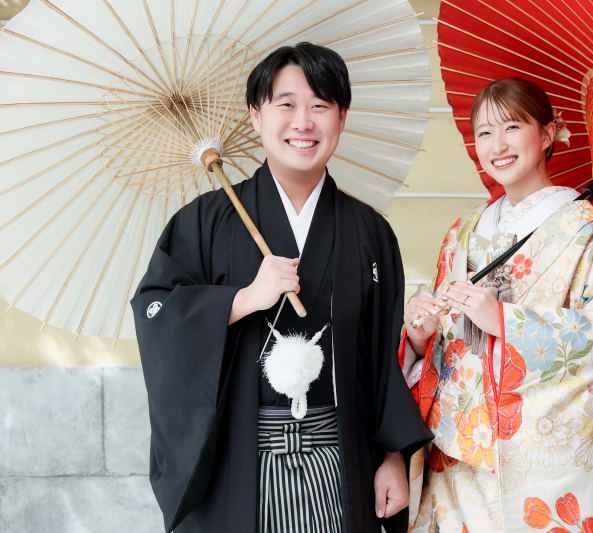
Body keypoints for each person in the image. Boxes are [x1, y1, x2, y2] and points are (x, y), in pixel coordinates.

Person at [131, 42, 431, 533]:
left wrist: (393, 455)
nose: (303, 122)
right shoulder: (204, 222)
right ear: (256, 115)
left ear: (342, 118)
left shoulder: (369, 231)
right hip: (237, 464)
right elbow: (157, 314)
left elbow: (383, 355)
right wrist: (243, 299)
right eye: (286, 104)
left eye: (320, 105)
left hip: (341, 460)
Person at [400, 78, 593, 532]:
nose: (497, 145)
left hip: (529, 454)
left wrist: (506, 320)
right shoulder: (463, 230)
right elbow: (444, 340)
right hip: (452, 451)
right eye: (484, 132)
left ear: (548, 134)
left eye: (512, 127)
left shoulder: (578, 228)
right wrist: (420, 337)